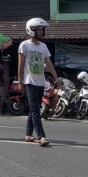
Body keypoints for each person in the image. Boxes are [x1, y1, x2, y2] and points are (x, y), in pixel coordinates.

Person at [19, 17, 60, 147]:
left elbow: (49, 63)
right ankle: (41, 136)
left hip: (41, 82)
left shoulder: (43, 47)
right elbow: (20, 65)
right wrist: (20, 81)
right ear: (32, 31)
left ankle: (28, 134)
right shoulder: (24, 45)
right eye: (39, 29)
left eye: (42, 30)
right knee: (36, 109)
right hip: (30, 81)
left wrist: (56, 77)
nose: (42, 32)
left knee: (33, 109)